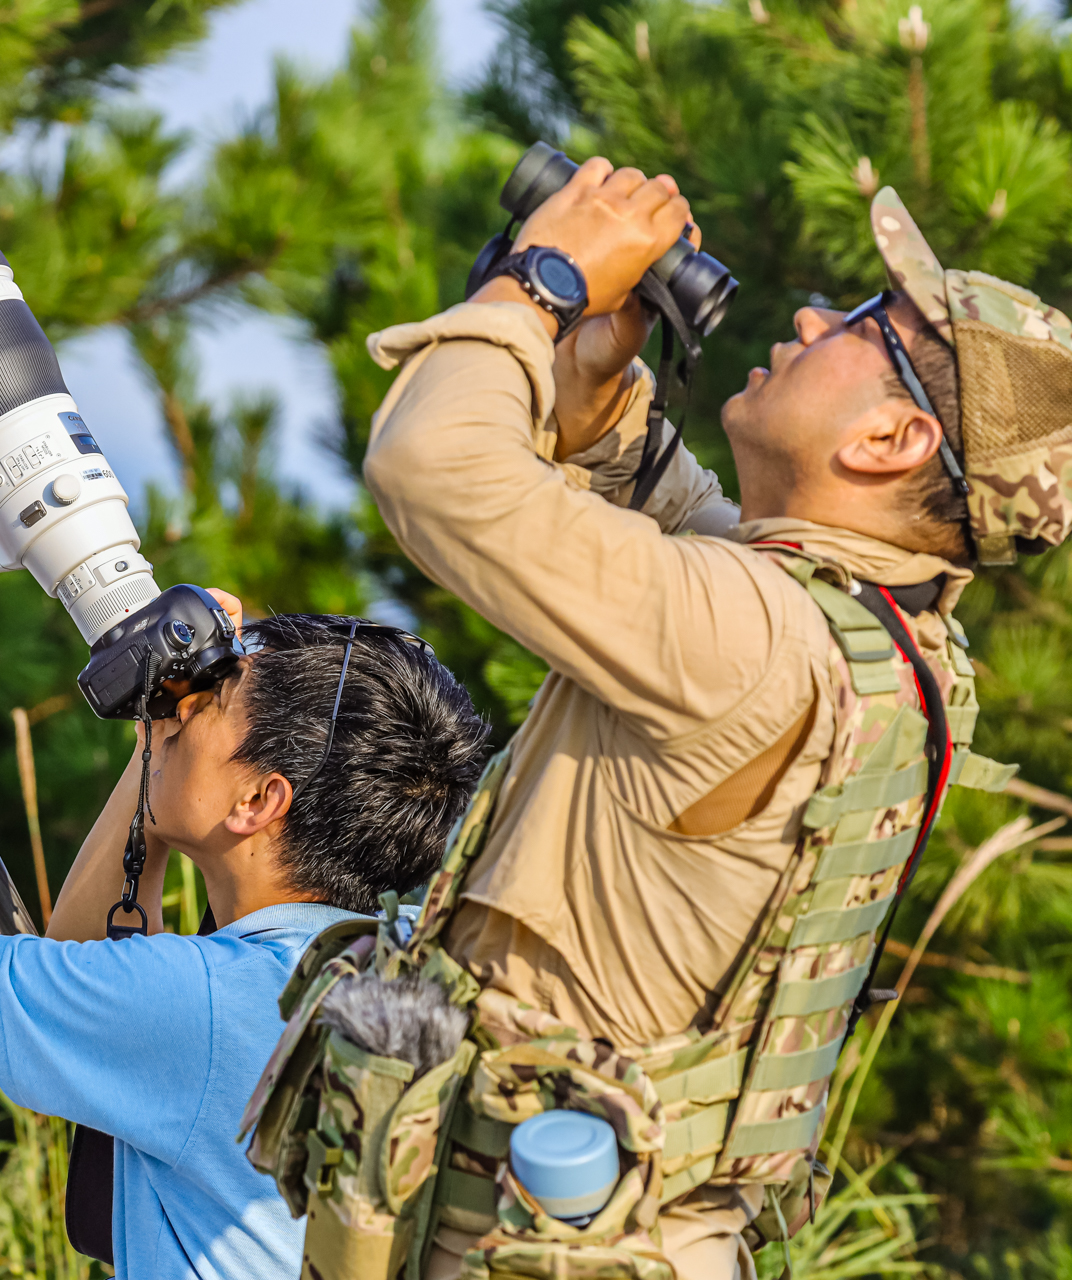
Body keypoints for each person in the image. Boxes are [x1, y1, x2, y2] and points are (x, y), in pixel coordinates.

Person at [350, 161, 1071, 1276]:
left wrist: (539, 282)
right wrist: (598, 358)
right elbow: (663, 504)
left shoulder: (753, 638)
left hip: (541, 1244)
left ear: (891, 440)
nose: (810, 314)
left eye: (865, 322)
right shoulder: (873, 637)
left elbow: (432, 467)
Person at [0, 514, 492, 1280]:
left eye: (214, 698)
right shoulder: (378, 975)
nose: (185, 707)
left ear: (259, 801)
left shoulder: (207, 1002)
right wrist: (156, 745)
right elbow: (81, 960)